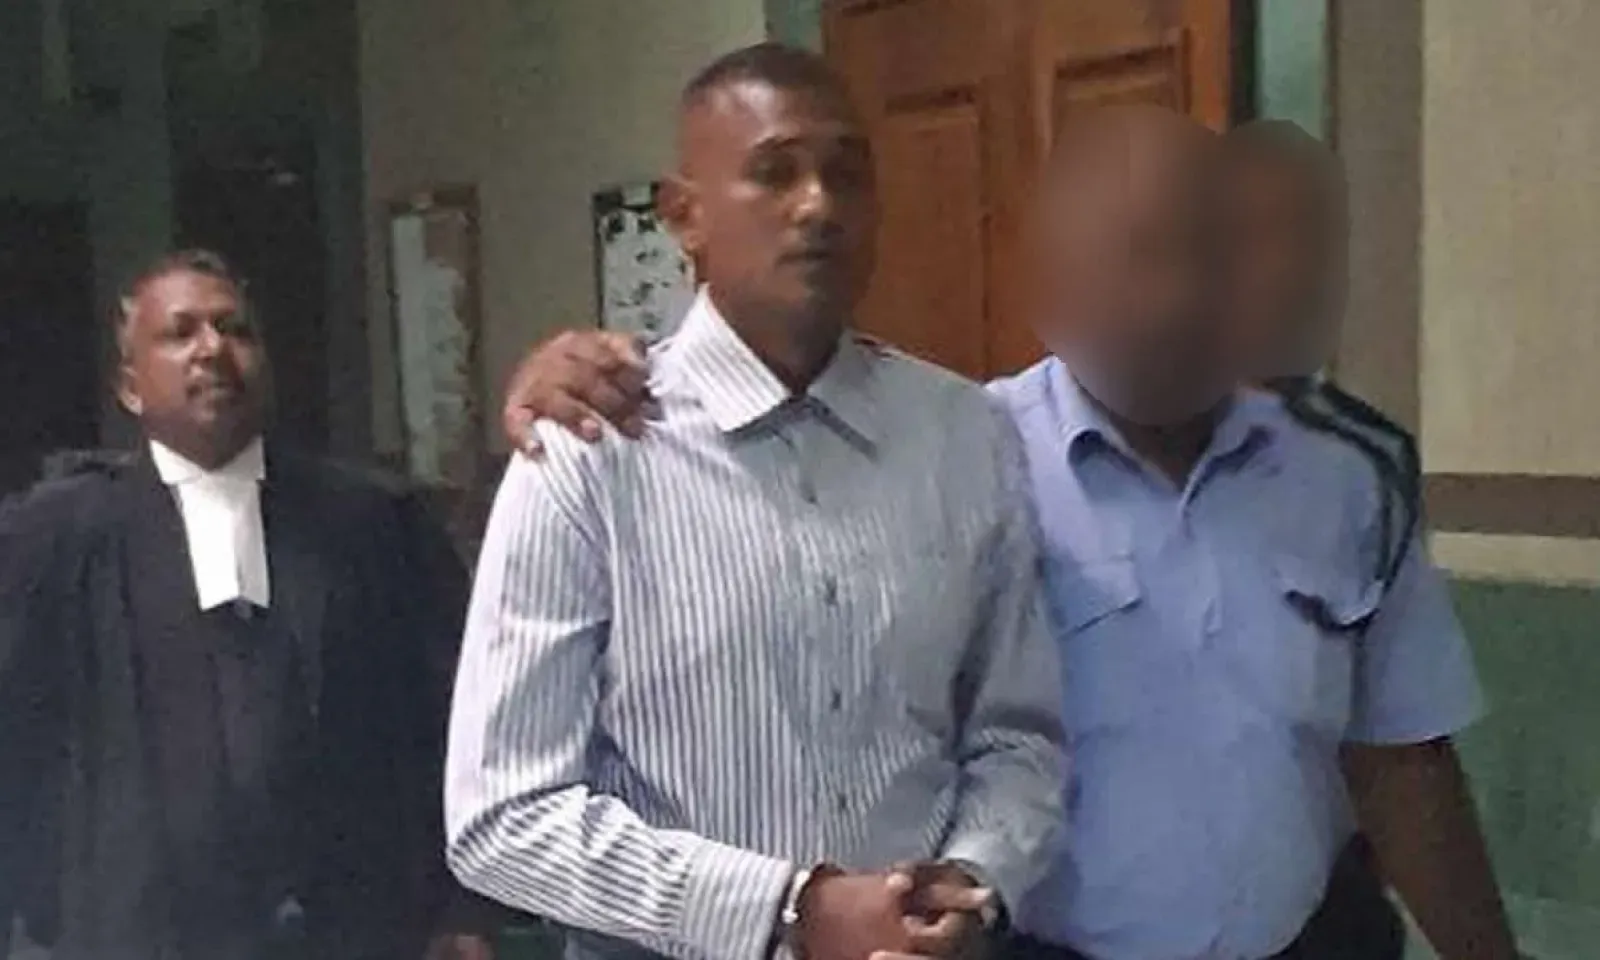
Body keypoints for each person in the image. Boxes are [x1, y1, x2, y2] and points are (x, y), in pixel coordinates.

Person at [492, 102, 1520, 959]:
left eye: (1210, 253)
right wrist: (581, 375)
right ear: (1055, 280)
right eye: (1137, 256)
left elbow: (1406, 761)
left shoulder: (1348, 477)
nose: (1176, 296)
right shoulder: (958, 457)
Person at [442, 43, 1067, 960]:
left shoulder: (964, 436)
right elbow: (502, 817)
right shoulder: (587, 449)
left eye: (846, 175)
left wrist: (971, 884)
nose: (818, 205)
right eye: (775, 173)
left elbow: (1019, 738)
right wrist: (789, 912)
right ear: (684, 216)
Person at [0, 250, 504, 960]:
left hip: (359, 927)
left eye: (234, 329)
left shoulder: (371, 520)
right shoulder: (55, 537)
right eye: (180, 333)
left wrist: (464, 908)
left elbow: (456, 716)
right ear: (130, 388)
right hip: (134, 933)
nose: (212, 348)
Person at [1225, 118, 1420, 596]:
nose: (1288, 267)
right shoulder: (1103, 442)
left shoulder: (1375, 459)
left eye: (1316, 237)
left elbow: (1408, 639)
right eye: (1255, 235)